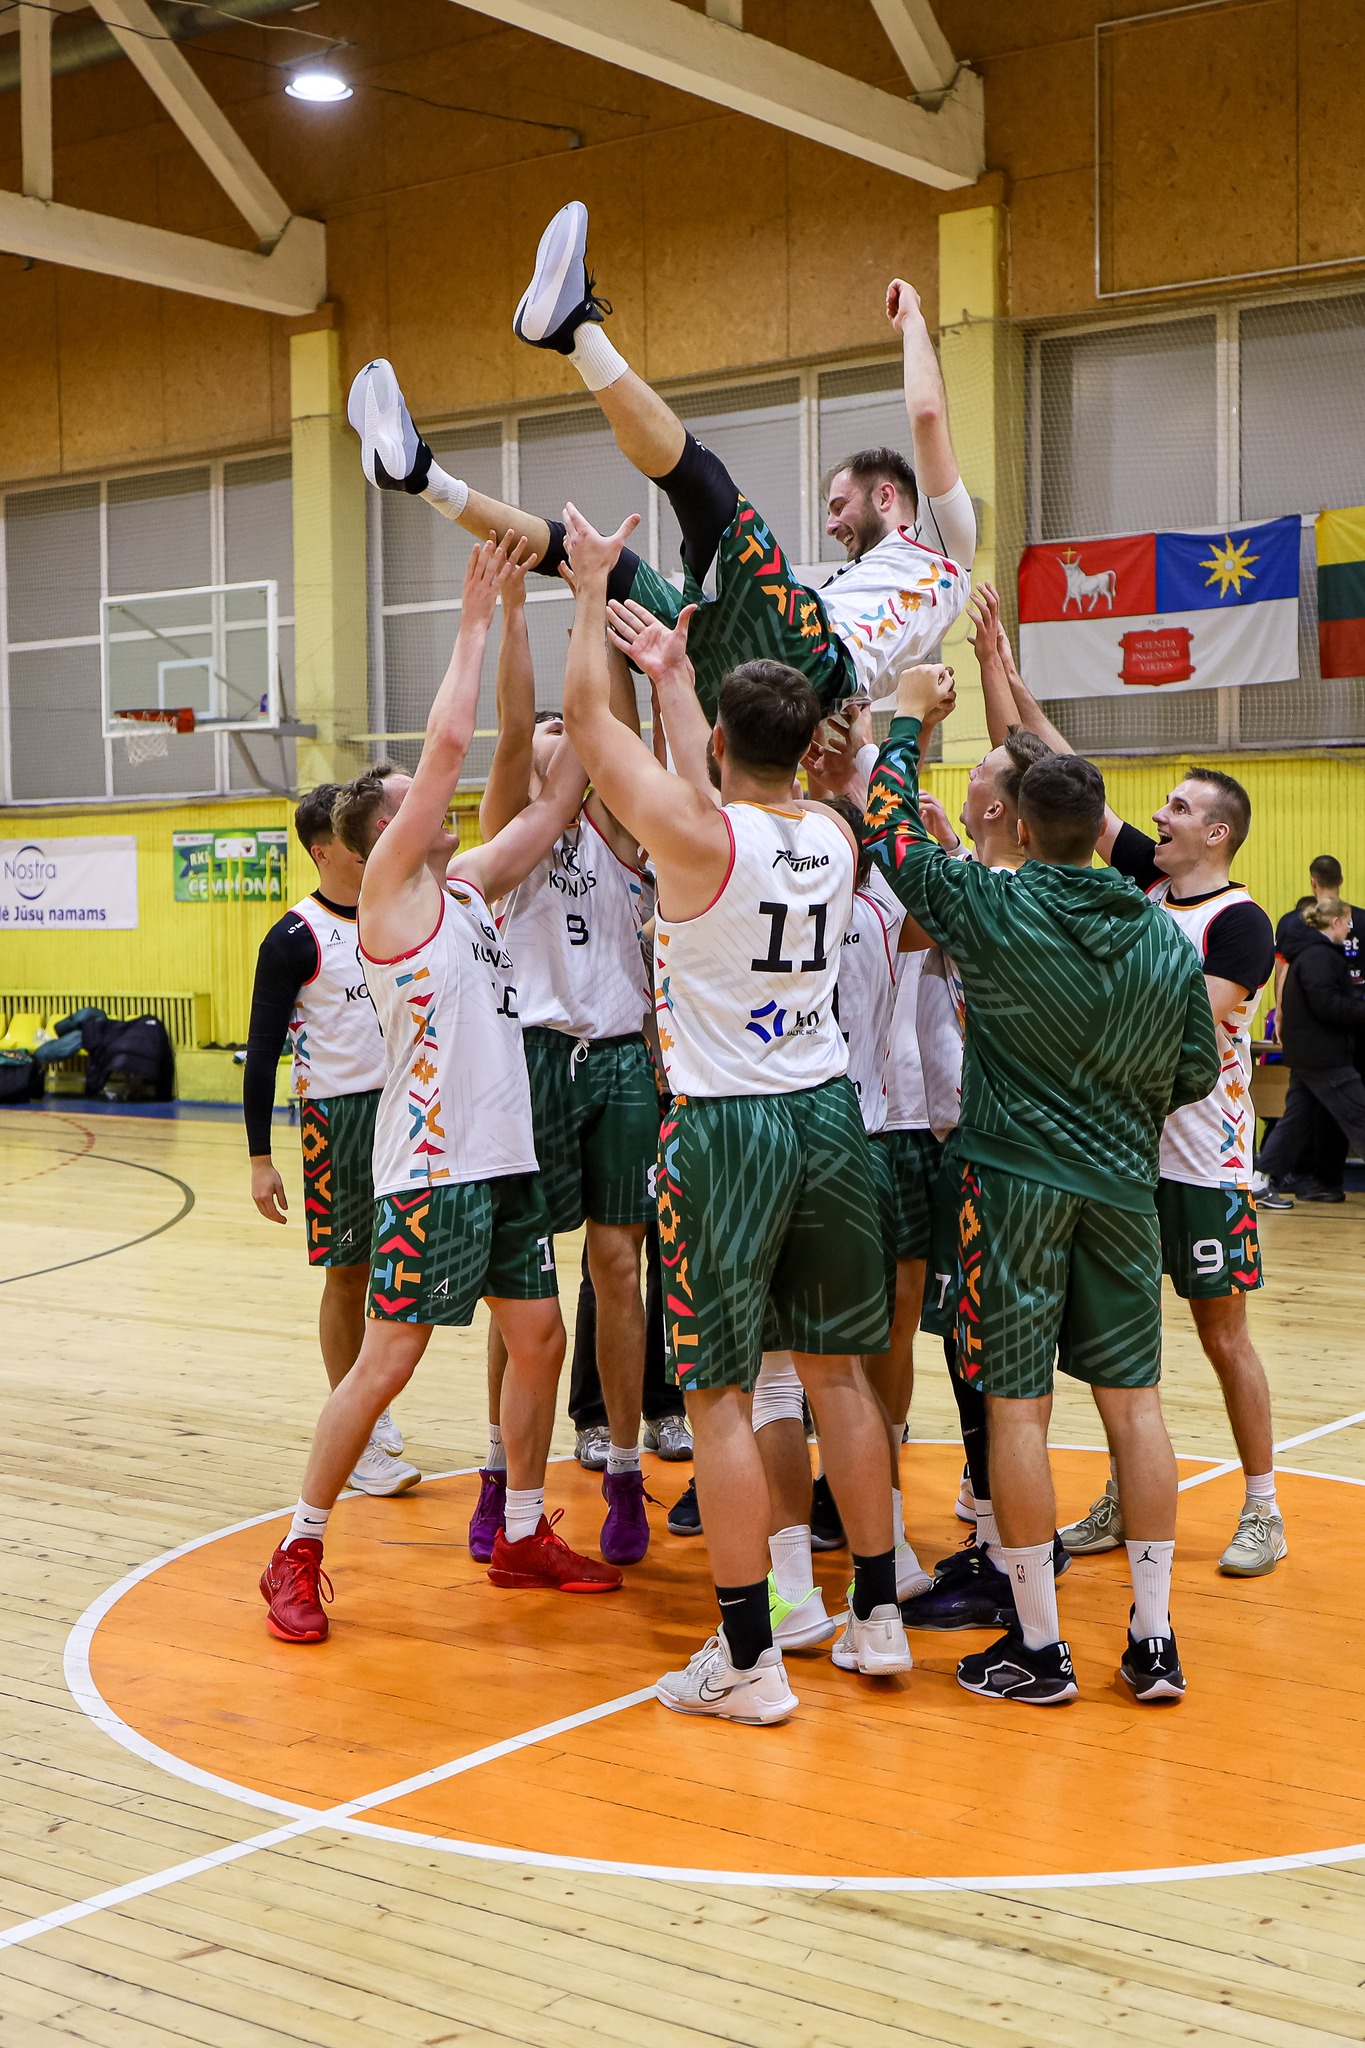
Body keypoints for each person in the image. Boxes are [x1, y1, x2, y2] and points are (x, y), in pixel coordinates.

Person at [562, 502, 910, 1726]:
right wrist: (675, 676)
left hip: (726, 1128)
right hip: (829, 1118)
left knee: (715, 1391)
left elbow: (593, 732)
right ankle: (877, 1616)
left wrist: (591, 593)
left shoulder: (694, 836)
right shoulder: (834, 832)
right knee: (840, 1378)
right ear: (810, 744)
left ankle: (750, 1658)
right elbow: (712, 793)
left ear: (719, 735)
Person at [258, 537, 622, 1645]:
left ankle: (520, 1530)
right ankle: (296, 1548)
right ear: (387, 830)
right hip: (430, 1168)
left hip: (503, 1160)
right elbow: (455, 742)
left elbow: (562, 793)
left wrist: (591, 607)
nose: (437, 793)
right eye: (409, 796)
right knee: (391, 1359)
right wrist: (473, 618)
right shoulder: (390, 896)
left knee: (541, 1340)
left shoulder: (464, 888)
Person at [865, 661, 1220, 1705]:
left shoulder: (989, 905)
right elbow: (1194, 1072)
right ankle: (1152, 1640)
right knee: (1135, 1407)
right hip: (1122, 1191)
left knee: (1016, 1410)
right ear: (1100, 828)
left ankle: (1037, 1645)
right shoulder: (1161, 936)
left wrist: (904, 723)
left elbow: (889, 835)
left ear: (1018, 826)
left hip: (1010, 1185)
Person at [347, 199, 973, 725]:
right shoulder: (868, 590)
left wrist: (914, 321)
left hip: (799, 658)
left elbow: (926, 415)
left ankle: (573, 331)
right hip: (741, 683)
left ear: (887, 496)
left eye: (840, 505)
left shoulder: (943, 547)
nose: (831, 523)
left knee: (704, 484)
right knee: (590, 559)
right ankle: (420, 476)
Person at [987, 600, 1285, 1581]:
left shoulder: (1241, 923)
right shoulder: (1146, 886)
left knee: (1222, 1334)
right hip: (1121, 1157)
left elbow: (1178, 1035)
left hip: (1202, 1159)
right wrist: (1008, 675)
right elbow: (1062, 777)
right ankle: (1126, 1491)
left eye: (1180, 808)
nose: (1160, 815)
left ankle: (1263, 1505)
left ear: (1218, 832)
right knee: (1121, 1344)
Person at [467, 557, 659, 1571]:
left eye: (567, 726)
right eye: (553, 728)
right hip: (532, 1056)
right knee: (521, 1276)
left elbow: (610, 723)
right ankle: (501, 1470)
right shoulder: (513, 825)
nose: (557, 730)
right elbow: (513, 728)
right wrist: (517, 612)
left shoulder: (620, 824)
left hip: (620, 1056)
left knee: (619, 1265)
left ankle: (623, 1465)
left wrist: (598, 606)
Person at [244, 779, 419, 1498]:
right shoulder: (294, 937)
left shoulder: (398, 913)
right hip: (336, 1121)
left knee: (396, 1274)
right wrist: (260, 1159)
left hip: (407, 1110)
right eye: (358, 838)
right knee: (347, 1274)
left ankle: (368, 1405)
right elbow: (261, 1053)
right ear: (324, 851)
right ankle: (360, 1437)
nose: (375, 843)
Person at [1269, 856, 1365, 1202]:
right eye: (1347, 924)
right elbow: (1326, 1004)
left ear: (1313, 880)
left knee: (1294, 1120)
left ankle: (1260, 1177)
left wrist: (1279, 1019)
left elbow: (1284, 986)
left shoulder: (1301, 947)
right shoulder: (1320, 957)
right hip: (1324, 1051)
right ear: (1335, 922)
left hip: (1308, 1049)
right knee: (1359, 1115)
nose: (1350, 929)